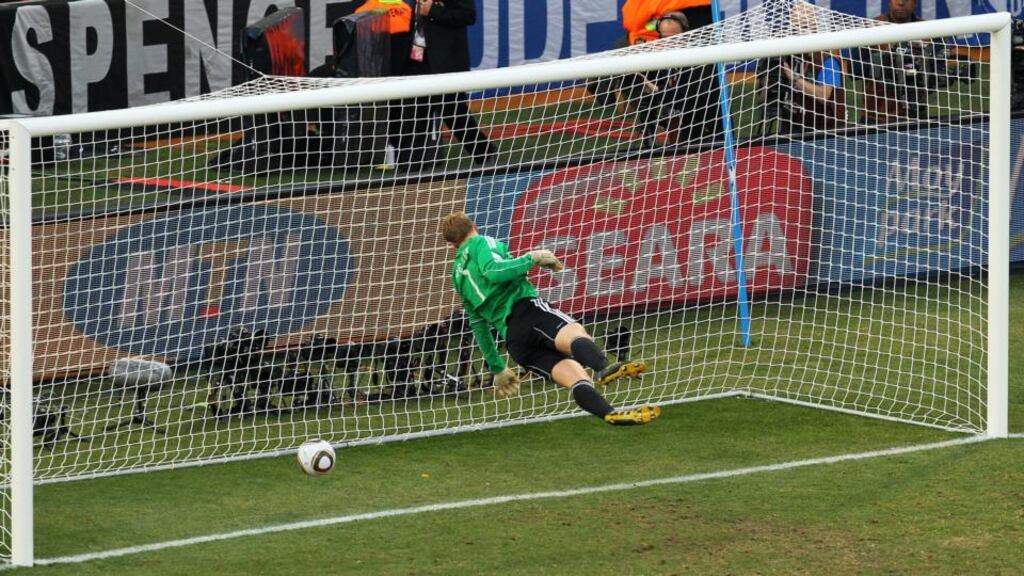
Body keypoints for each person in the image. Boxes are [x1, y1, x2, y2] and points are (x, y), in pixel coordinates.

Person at [441, 212, 659, 426]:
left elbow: (478, 325)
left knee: (577, 379)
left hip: (515, 343)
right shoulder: (481, 242)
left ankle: (610, 414)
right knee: (575, 333)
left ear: (453, 245)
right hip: (527, 312)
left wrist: (497, 367)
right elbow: (494, 271)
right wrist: (532, 258)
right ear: (474, 226)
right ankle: (603, 368)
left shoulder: (457, 276)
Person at [398, 0, 497, 169]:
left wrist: (433, 11)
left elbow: (468, 16)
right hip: (418, 60)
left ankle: (485, 152)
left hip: (445, 62)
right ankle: (411, 165)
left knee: (454, 113)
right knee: (414, 113)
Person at [759, 1, 845, 134]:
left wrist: (794, 78)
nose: (799, 32)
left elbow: (824, 95)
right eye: (795, 28)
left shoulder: (827, 59)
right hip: (792, 129)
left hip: (822, 133)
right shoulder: (790, 55)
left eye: (804, 27)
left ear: (815, 26)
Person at [860, 0, 929, 123]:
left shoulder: (928, 29)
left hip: (916, 112)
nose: (901, 3)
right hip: (877, 115)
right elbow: (854, 69)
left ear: (915, 3)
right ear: (889, 2)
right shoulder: (872, 27)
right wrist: (885, 62)